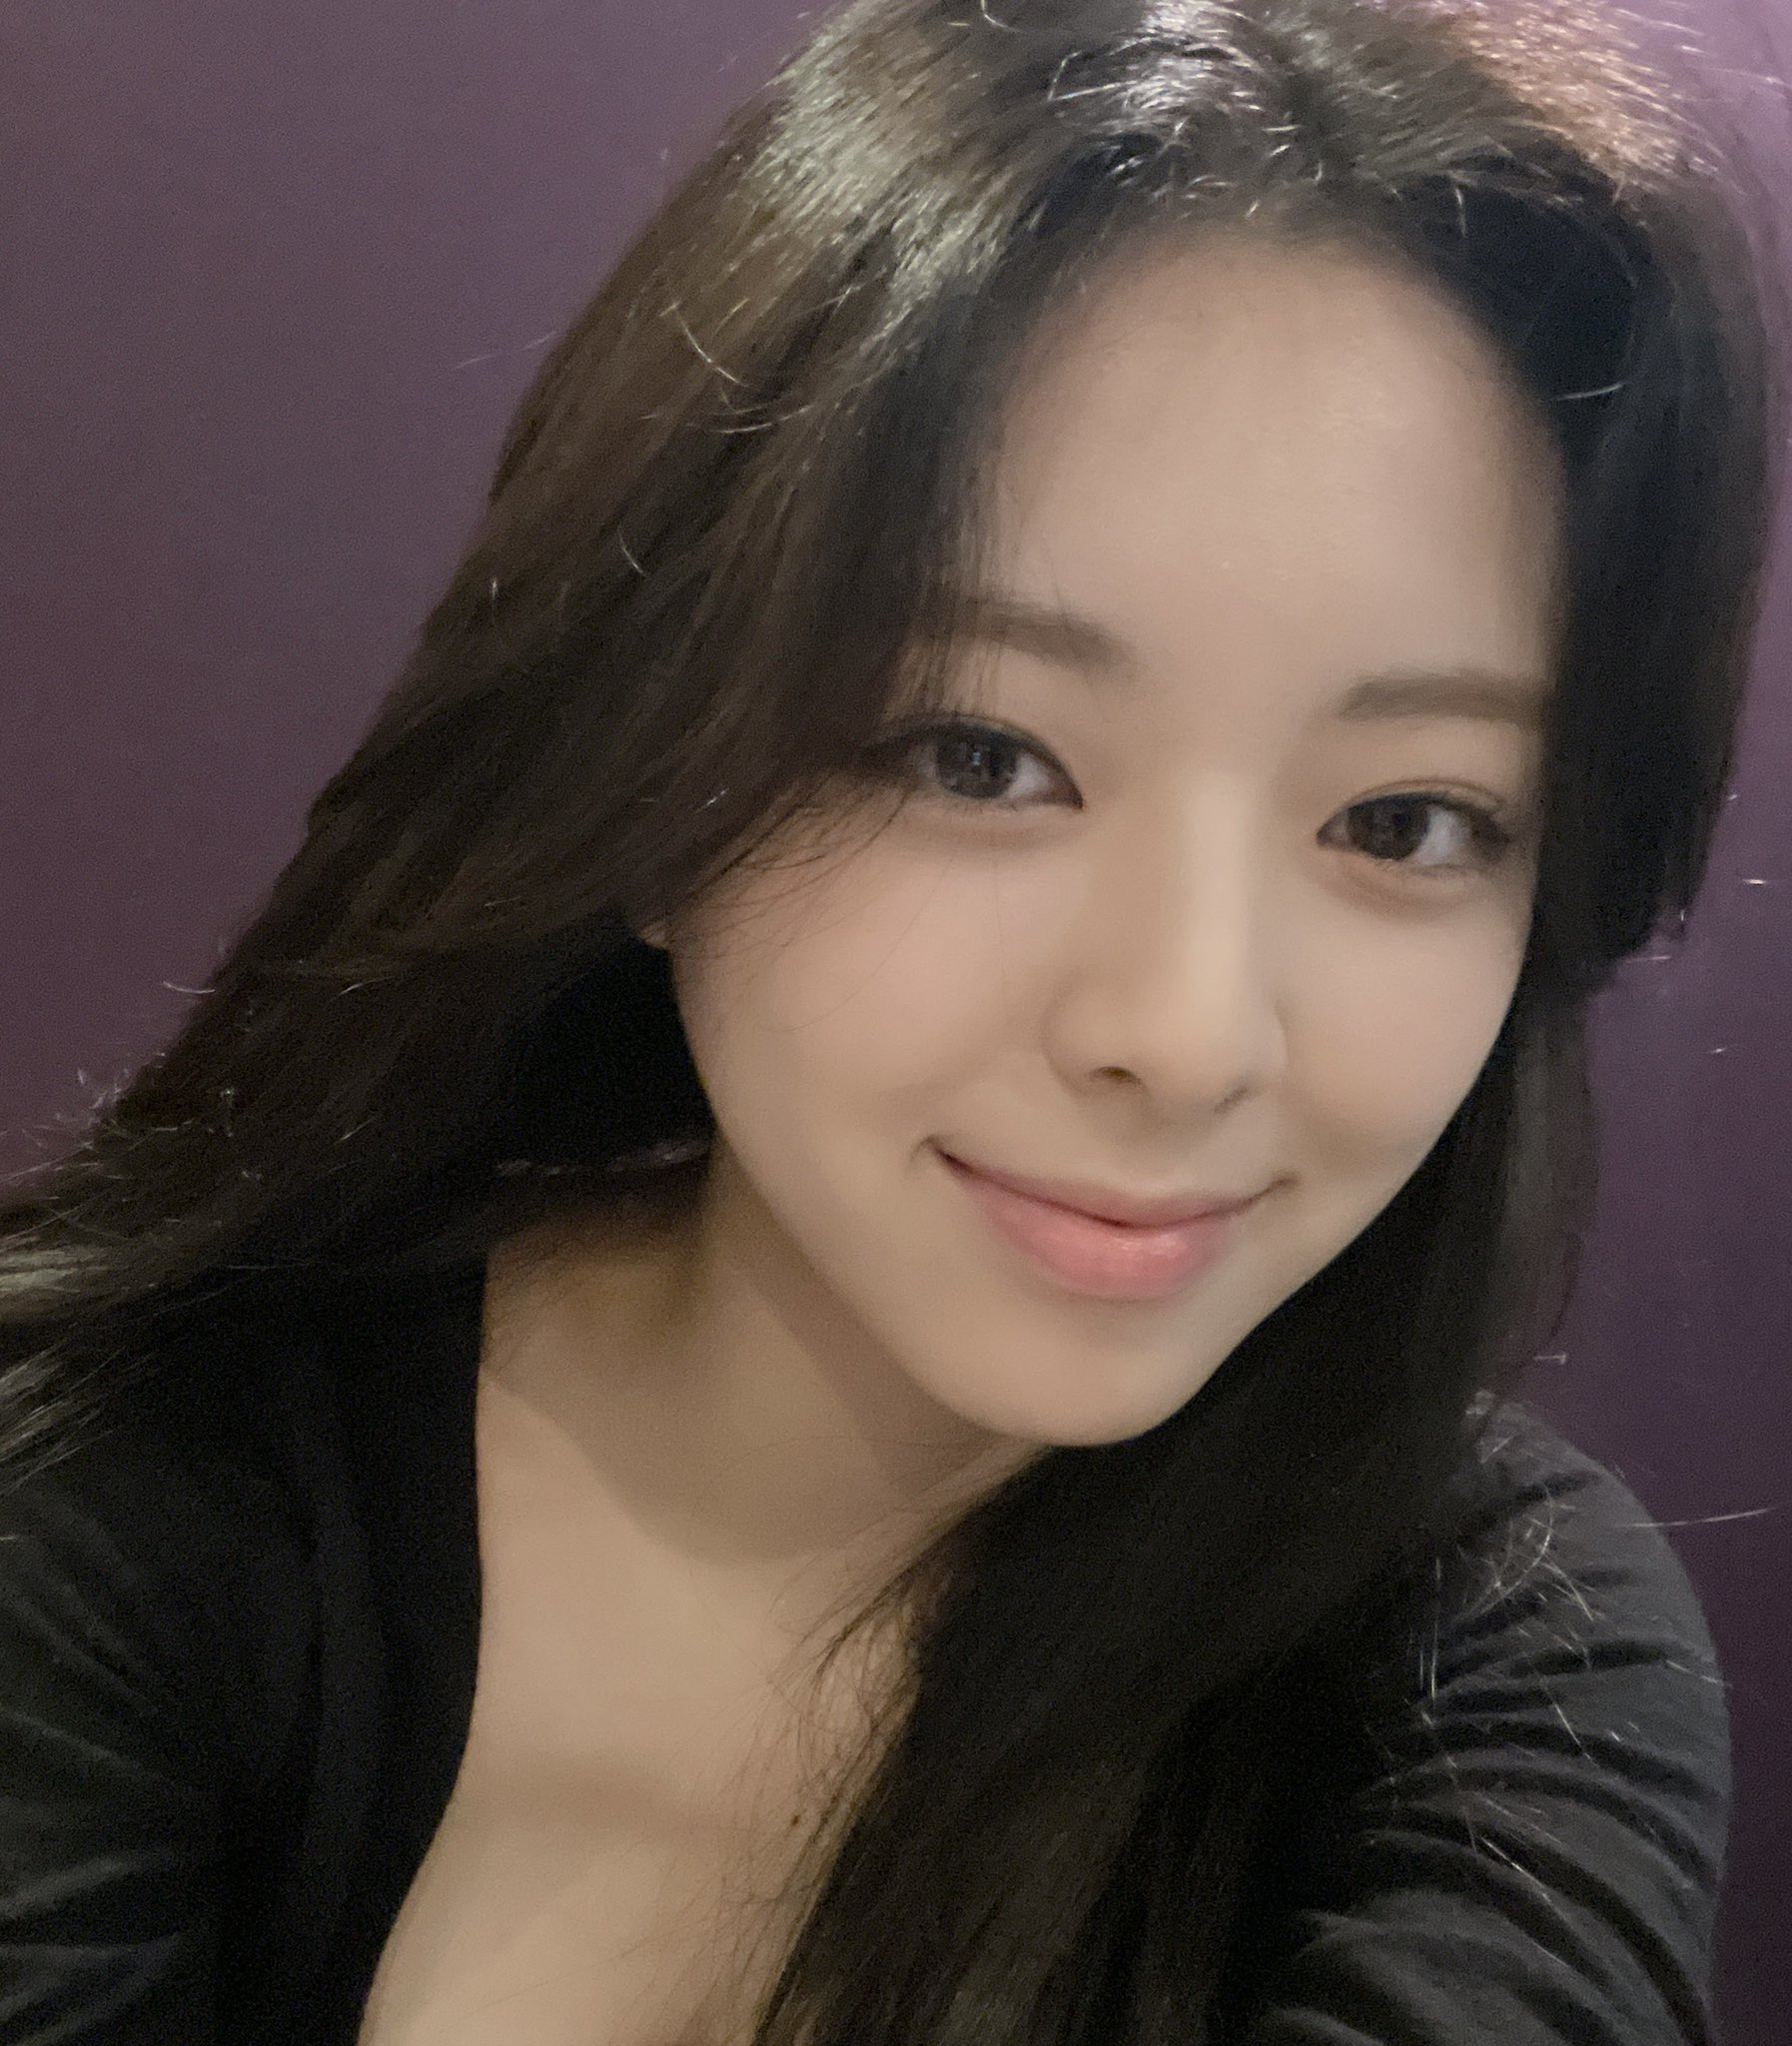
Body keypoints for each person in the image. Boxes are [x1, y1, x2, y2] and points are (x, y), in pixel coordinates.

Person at [0, 0, 1781, 2040]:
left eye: (1403, 820)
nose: (1186, 1033)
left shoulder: (1500, 1661)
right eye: (977, 754)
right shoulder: (125, 1512)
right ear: (654, 777)